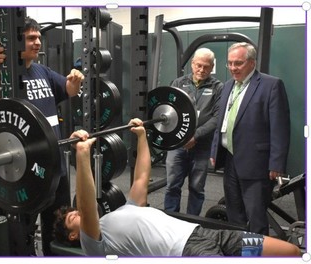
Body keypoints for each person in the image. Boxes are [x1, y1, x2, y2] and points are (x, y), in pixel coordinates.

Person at [52, 119, 300, 256]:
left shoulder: (125, 210)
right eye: (71, 217)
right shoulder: (94, 244)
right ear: (74, 235)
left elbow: (141, 177)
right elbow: (87, 203)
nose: (77, 212)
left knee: (288, 251)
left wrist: (141, 137)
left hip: (210, 235)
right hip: (189, 252)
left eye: (74, 211)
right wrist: (83, 156)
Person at [0, 16, 83, 255]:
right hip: (24, 172)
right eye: (31, 38)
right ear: (16, 42)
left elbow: (68, 89)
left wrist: (76, 80)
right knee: (21, 234)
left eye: (38, 37)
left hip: (55, 165)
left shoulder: (42, 71)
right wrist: (0, 69)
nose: (37, 42)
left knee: (56, 224)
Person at [210, 42, 290, 235]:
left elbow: (280, 127)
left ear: (252, 63)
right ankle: (240, 251)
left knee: (255, 217)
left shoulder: (271, 85)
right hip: (230, 160)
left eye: (238, 63)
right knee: (234, 213)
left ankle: (255, 255)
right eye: (229, 63)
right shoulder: (228, 86)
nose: (232, 68)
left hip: (257, 163)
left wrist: (276, 163)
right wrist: (215, 150)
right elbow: (222, 121)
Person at [163, 48, 223, 216]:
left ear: (212, 67)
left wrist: (196, 135)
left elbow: (217, 117)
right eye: (198, 65)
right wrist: (181, 137)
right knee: (172, 185)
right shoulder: (178, 83)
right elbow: (169, 110)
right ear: (192, 64)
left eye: (206, 66)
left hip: (202, 146)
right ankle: (170, 219)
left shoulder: (218, 87)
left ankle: (192, 222)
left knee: (197, 188)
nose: (202, 70)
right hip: (177, 145)